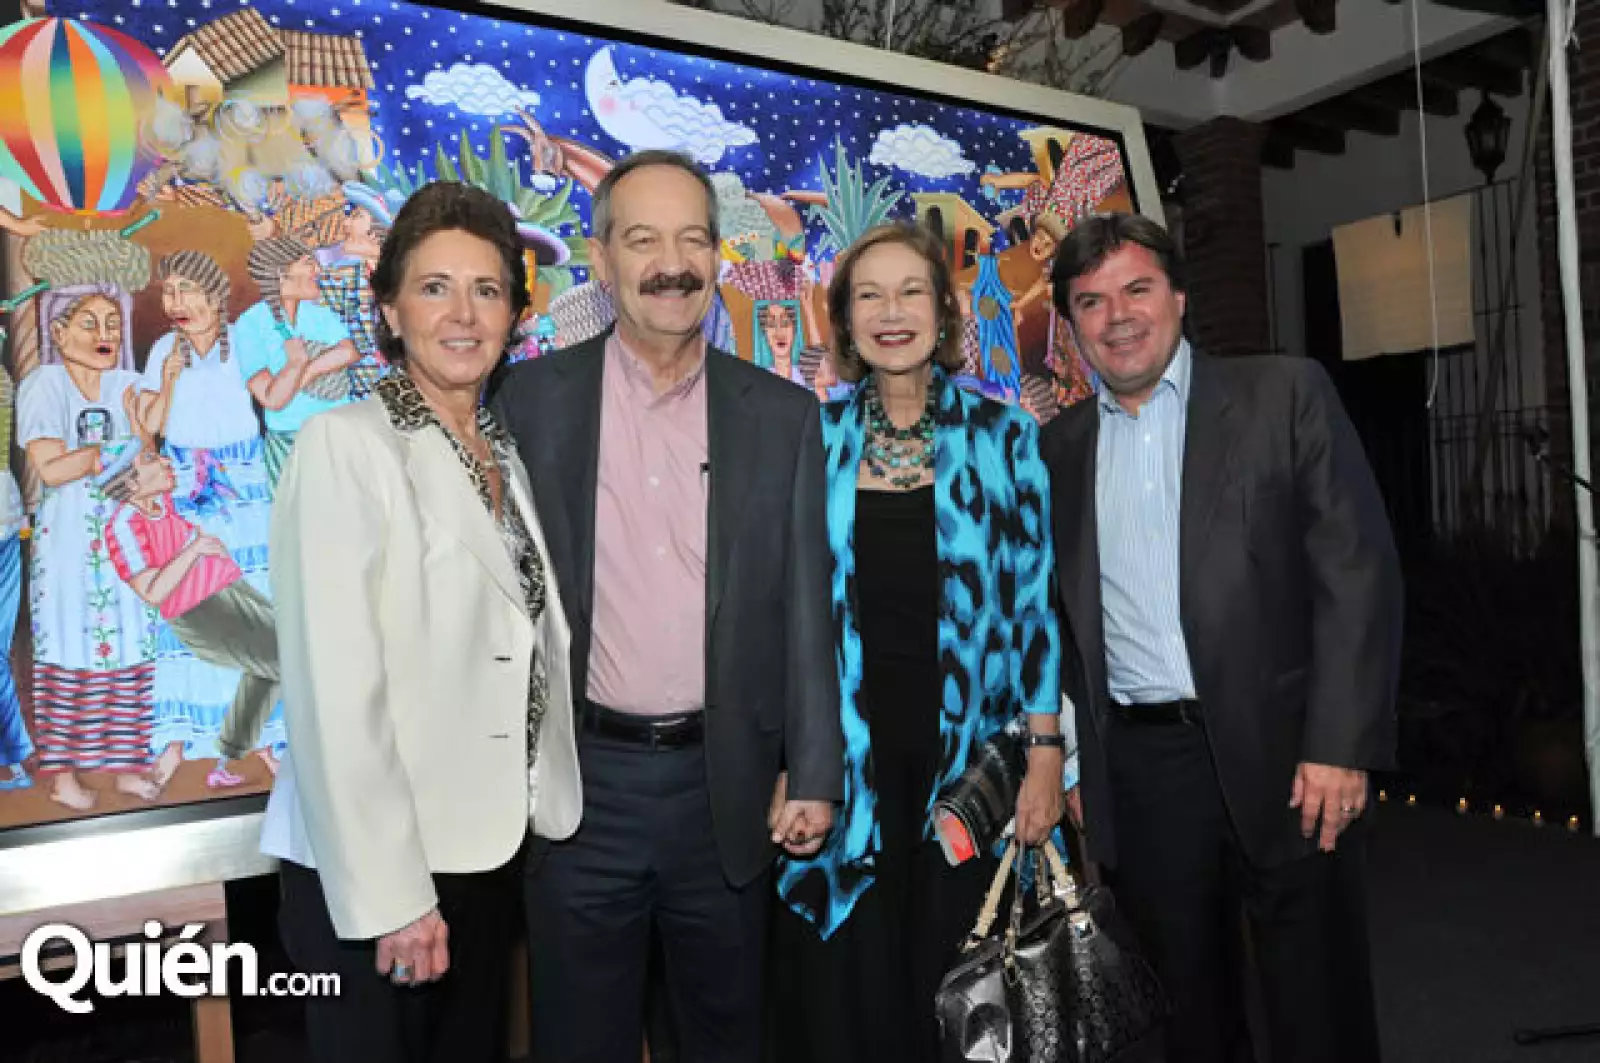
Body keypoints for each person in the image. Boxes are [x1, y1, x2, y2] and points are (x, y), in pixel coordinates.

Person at [491, 149, 842, 1063]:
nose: (670, 261)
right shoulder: (528, 400)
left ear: (721, 256)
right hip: (581, 792)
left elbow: (808, 604)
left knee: (728, 1038)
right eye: (642, 238)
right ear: (602, 258)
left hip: (723, 792)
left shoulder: (780, 414)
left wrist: (812, 768)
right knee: (580, 1039)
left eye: (692, 237)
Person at [1040, 213, 1402, 1063]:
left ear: (1179, 296)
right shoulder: (1058, 447)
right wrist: (1084, 765)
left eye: (1136, 289)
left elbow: (1356, 571)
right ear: (1071, 324)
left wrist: (1340, 743)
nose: (1117, 316)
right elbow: (1060, 619)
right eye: (1091, 301)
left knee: (1319, 1002)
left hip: (1291, 755)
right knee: (1191, 1012)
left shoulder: (1284, 394)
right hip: (1145, 767)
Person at [260, 181, 582, 1063]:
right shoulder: (347, 444)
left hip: (481, 849)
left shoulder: (500, 453)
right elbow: (335, 690)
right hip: (377, 870)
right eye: (435, 287)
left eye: (487, 290)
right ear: (391, 310)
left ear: (515, 315)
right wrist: (396, 895)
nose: (464, 313)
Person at [770, 222, 1071, 1063]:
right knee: (856, 990)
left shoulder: (1006, 435)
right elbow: (783, 613)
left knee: (964, 985)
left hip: (970, 768)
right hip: (849, 760)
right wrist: (792, 756)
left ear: (944, 312)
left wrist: (1046, 756)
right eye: (869, 294)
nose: (890, 311)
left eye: (911, 292)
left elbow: (1036, 604)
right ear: (845, 319)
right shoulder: (813, 439)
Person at [137, 250, 280, 790]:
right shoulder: (162, 351)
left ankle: (264, 739)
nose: (177, 304)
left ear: (216, 295)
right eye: (169, 293)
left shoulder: (243, 341)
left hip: (243, 485)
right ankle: (178, 739)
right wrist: (169, 379)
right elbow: (148, 430)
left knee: (253, 606)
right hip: (182, 486)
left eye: (187, 290)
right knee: (189, 606)